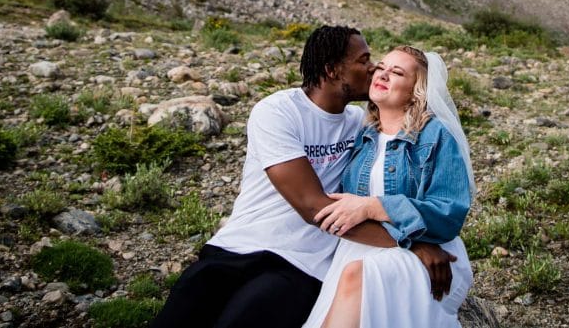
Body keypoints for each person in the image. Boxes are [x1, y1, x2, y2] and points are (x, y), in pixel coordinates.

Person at [152, 27, 454, 328]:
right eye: (364, 60)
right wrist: (409, 244)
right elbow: (315, 207)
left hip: (302, 266)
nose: (373, 68)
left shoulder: (361, 124)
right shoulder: (277, 112)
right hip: (236, 249)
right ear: (332, 70)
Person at [301, 45, 476, 328]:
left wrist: (374, 206)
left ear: (416, 90)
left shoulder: (435, 135)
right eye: (381, 68)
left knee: (357, 276)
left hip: (436, 252)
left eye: (397, 73)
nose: (383, 75)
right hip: (366, 246)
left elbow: (449, 212)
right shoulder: (364, 135)